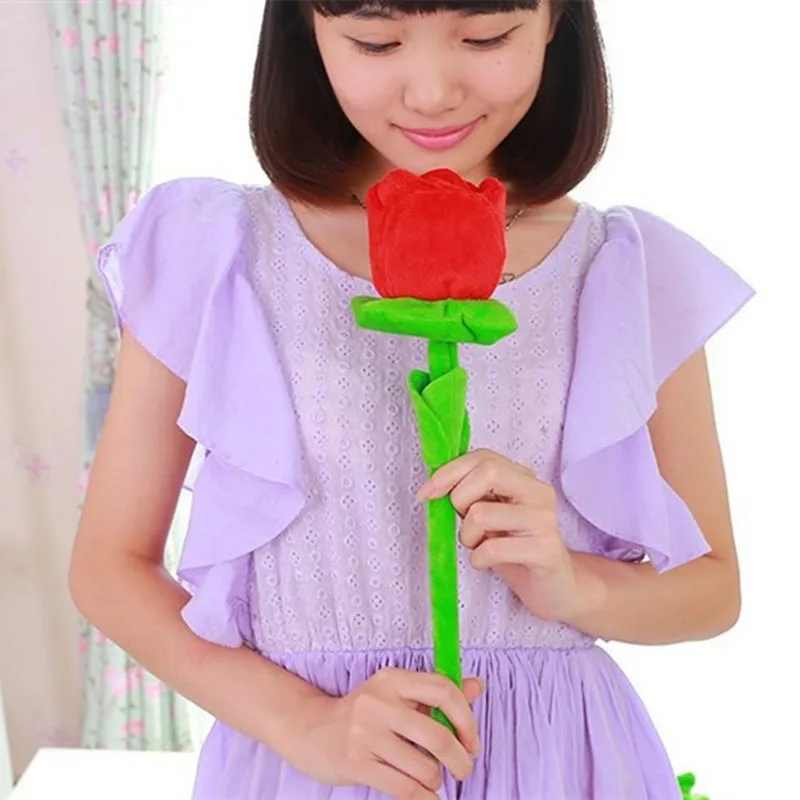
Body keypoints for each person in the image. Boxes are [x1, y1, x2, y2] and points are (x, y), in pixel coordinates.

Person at [68, 1, 754, 798]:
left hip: (561, 762)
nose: (431, 92)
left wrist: (575, 584)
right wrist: (303, 723)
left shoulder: (624, 267)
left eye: (486, 36)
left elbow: (713, 589)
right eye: (376, 40)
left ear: (554, 19)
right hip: (310, 764)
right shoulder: (217, 250)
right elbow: (110, 569)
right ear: (305, 28)